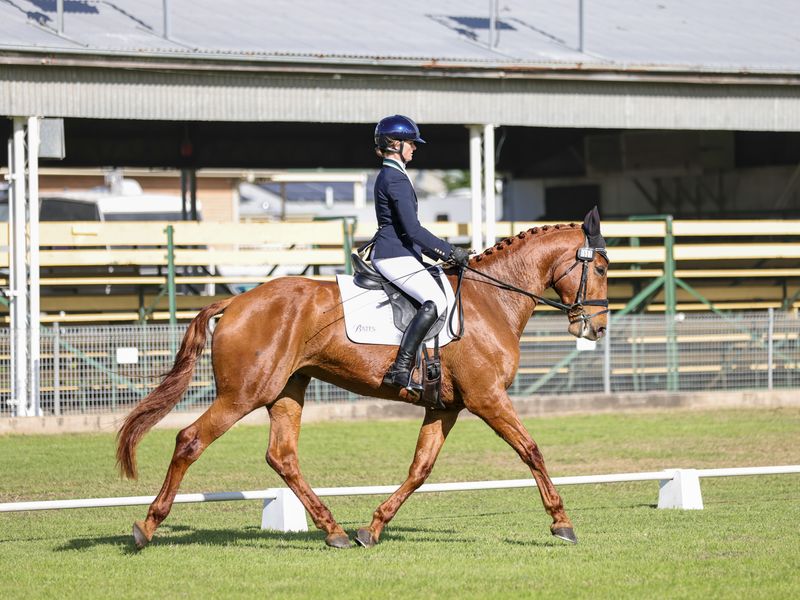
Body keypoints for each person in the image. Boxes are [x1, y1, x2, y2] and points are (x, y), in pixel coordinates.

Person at [370, 115, 470, 392]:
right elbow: (413, 230)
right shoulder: (395, 179)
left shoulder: (394, 175)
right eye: (410, 143)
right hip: (394, 254)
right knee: (435, 299)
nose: (414, 148)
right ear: (394, 144)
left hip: (400, 252)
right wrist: (449, 251)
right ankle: (401, 368)